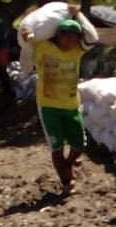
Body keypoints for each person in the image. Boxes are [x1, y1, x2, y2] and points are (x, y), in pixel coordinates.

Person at [33, 18, 92, 196]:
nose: (71, 43)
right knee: (56, 147)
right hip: (48, 106)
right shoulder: (43, 47)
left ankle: (68, 163)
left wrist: (79, 14)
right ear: (59, 36)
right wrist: (27, 35)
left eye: (75, 39)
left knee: (79, 146)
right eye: (68, 38)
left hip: (71, 105)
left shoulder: (76, 52)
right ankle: (67, 180)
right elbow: (29, 42)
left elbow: (93, 37)